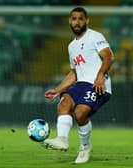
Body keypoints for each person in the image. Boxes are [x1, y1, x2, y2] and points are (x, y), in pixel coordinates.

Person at [43, 7, 114, 164]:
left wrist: (100, 76)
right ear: (69, 21)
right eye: (74, 19)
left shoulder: (95, 36)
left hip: (98, 84)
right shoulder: (71, 46)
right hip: (81, 83)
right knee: (63, 104)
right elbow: (75, 72)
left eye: (80, 18)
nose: (77, 22)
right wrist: (58, 90)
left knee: (80, 113)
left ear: (86, 21)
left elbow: (108, 57)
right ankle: (62, 139)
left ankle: (85, 147)